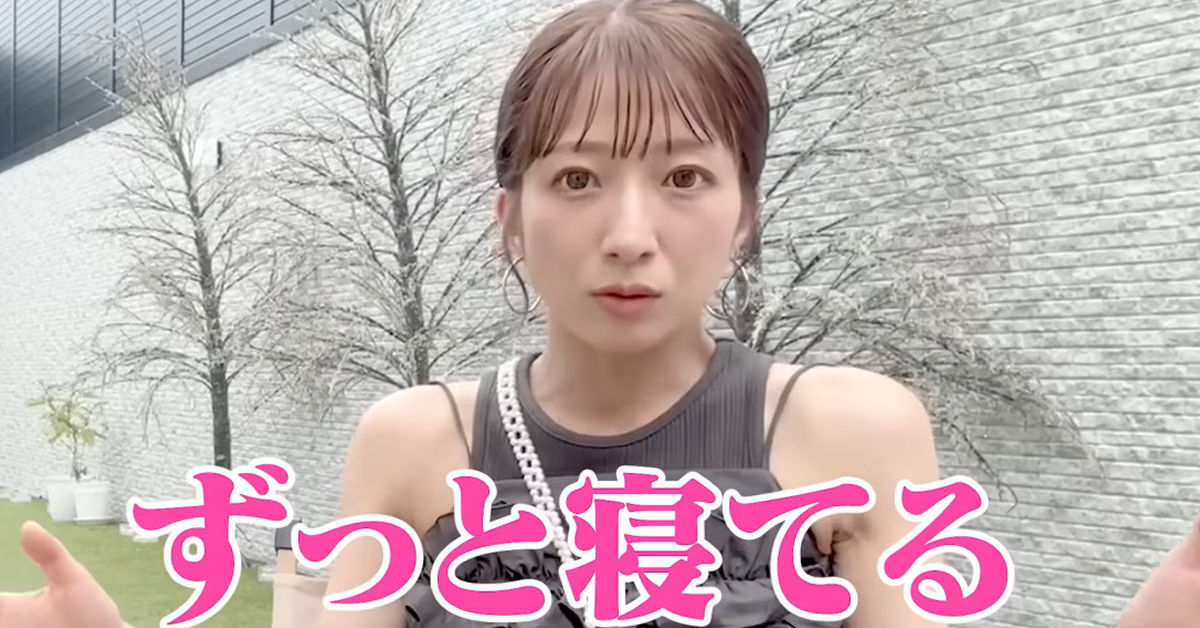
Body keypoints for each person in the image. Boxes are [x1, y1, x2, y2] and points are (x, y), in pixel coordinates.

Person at [0, 1, 1196, 627]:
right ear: (510, 217)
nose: (630, 231)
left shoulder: (849, 431)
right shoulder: (411, 443)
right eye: (576, 178)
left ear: (746, 214)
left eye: (685, 177)